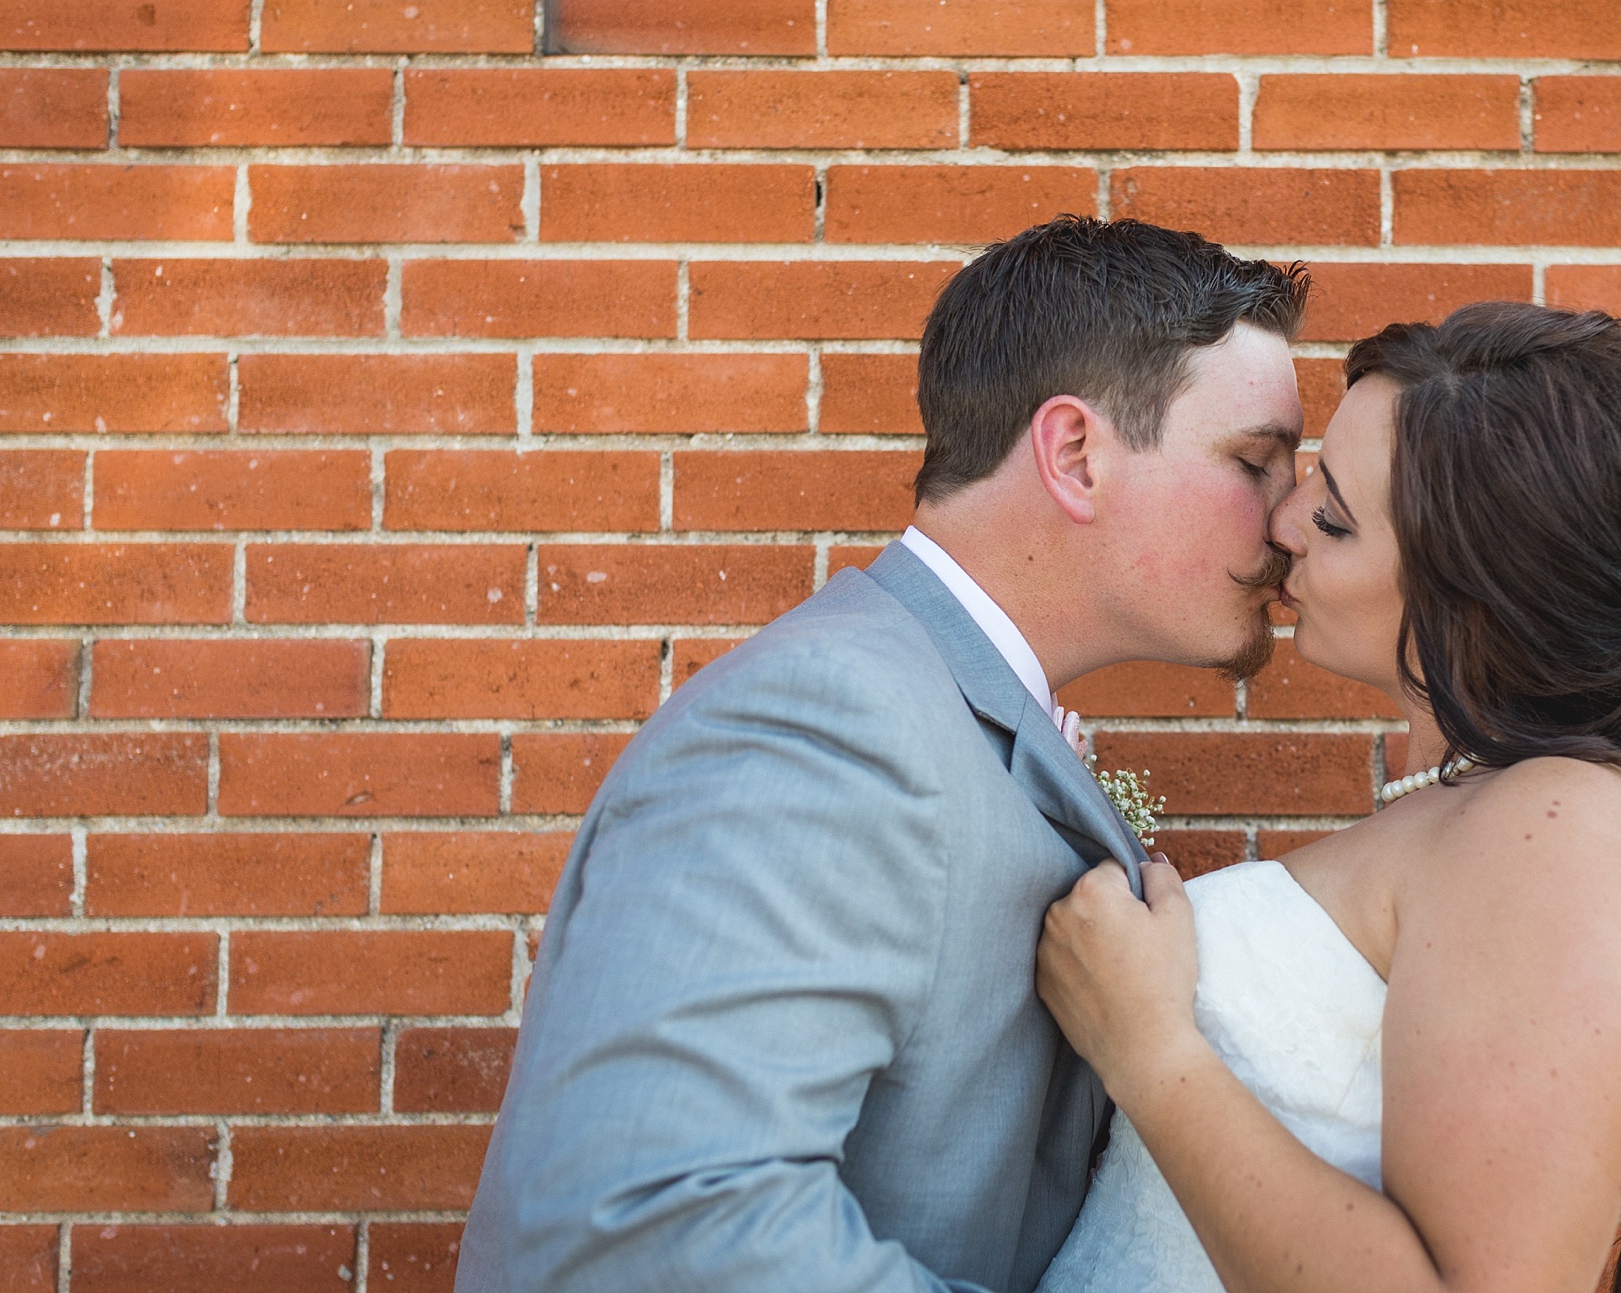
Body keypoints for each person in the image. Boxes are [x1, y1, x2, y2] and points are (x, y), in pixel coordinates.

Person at [453, 217, 1310, 1293]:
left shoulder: (930, 708)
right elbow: (649, 1228)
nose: (1289, 522)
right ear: (1075, 454)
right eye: (1254, 462)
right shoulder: (828, 725)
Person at [1035, 302, 1621, 1293]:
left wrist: (1150, 1049)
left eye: (1334, 513)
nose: (1285, 522)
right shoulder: (1494, 811)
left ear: (1478, 593)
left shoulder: (1558, 836)